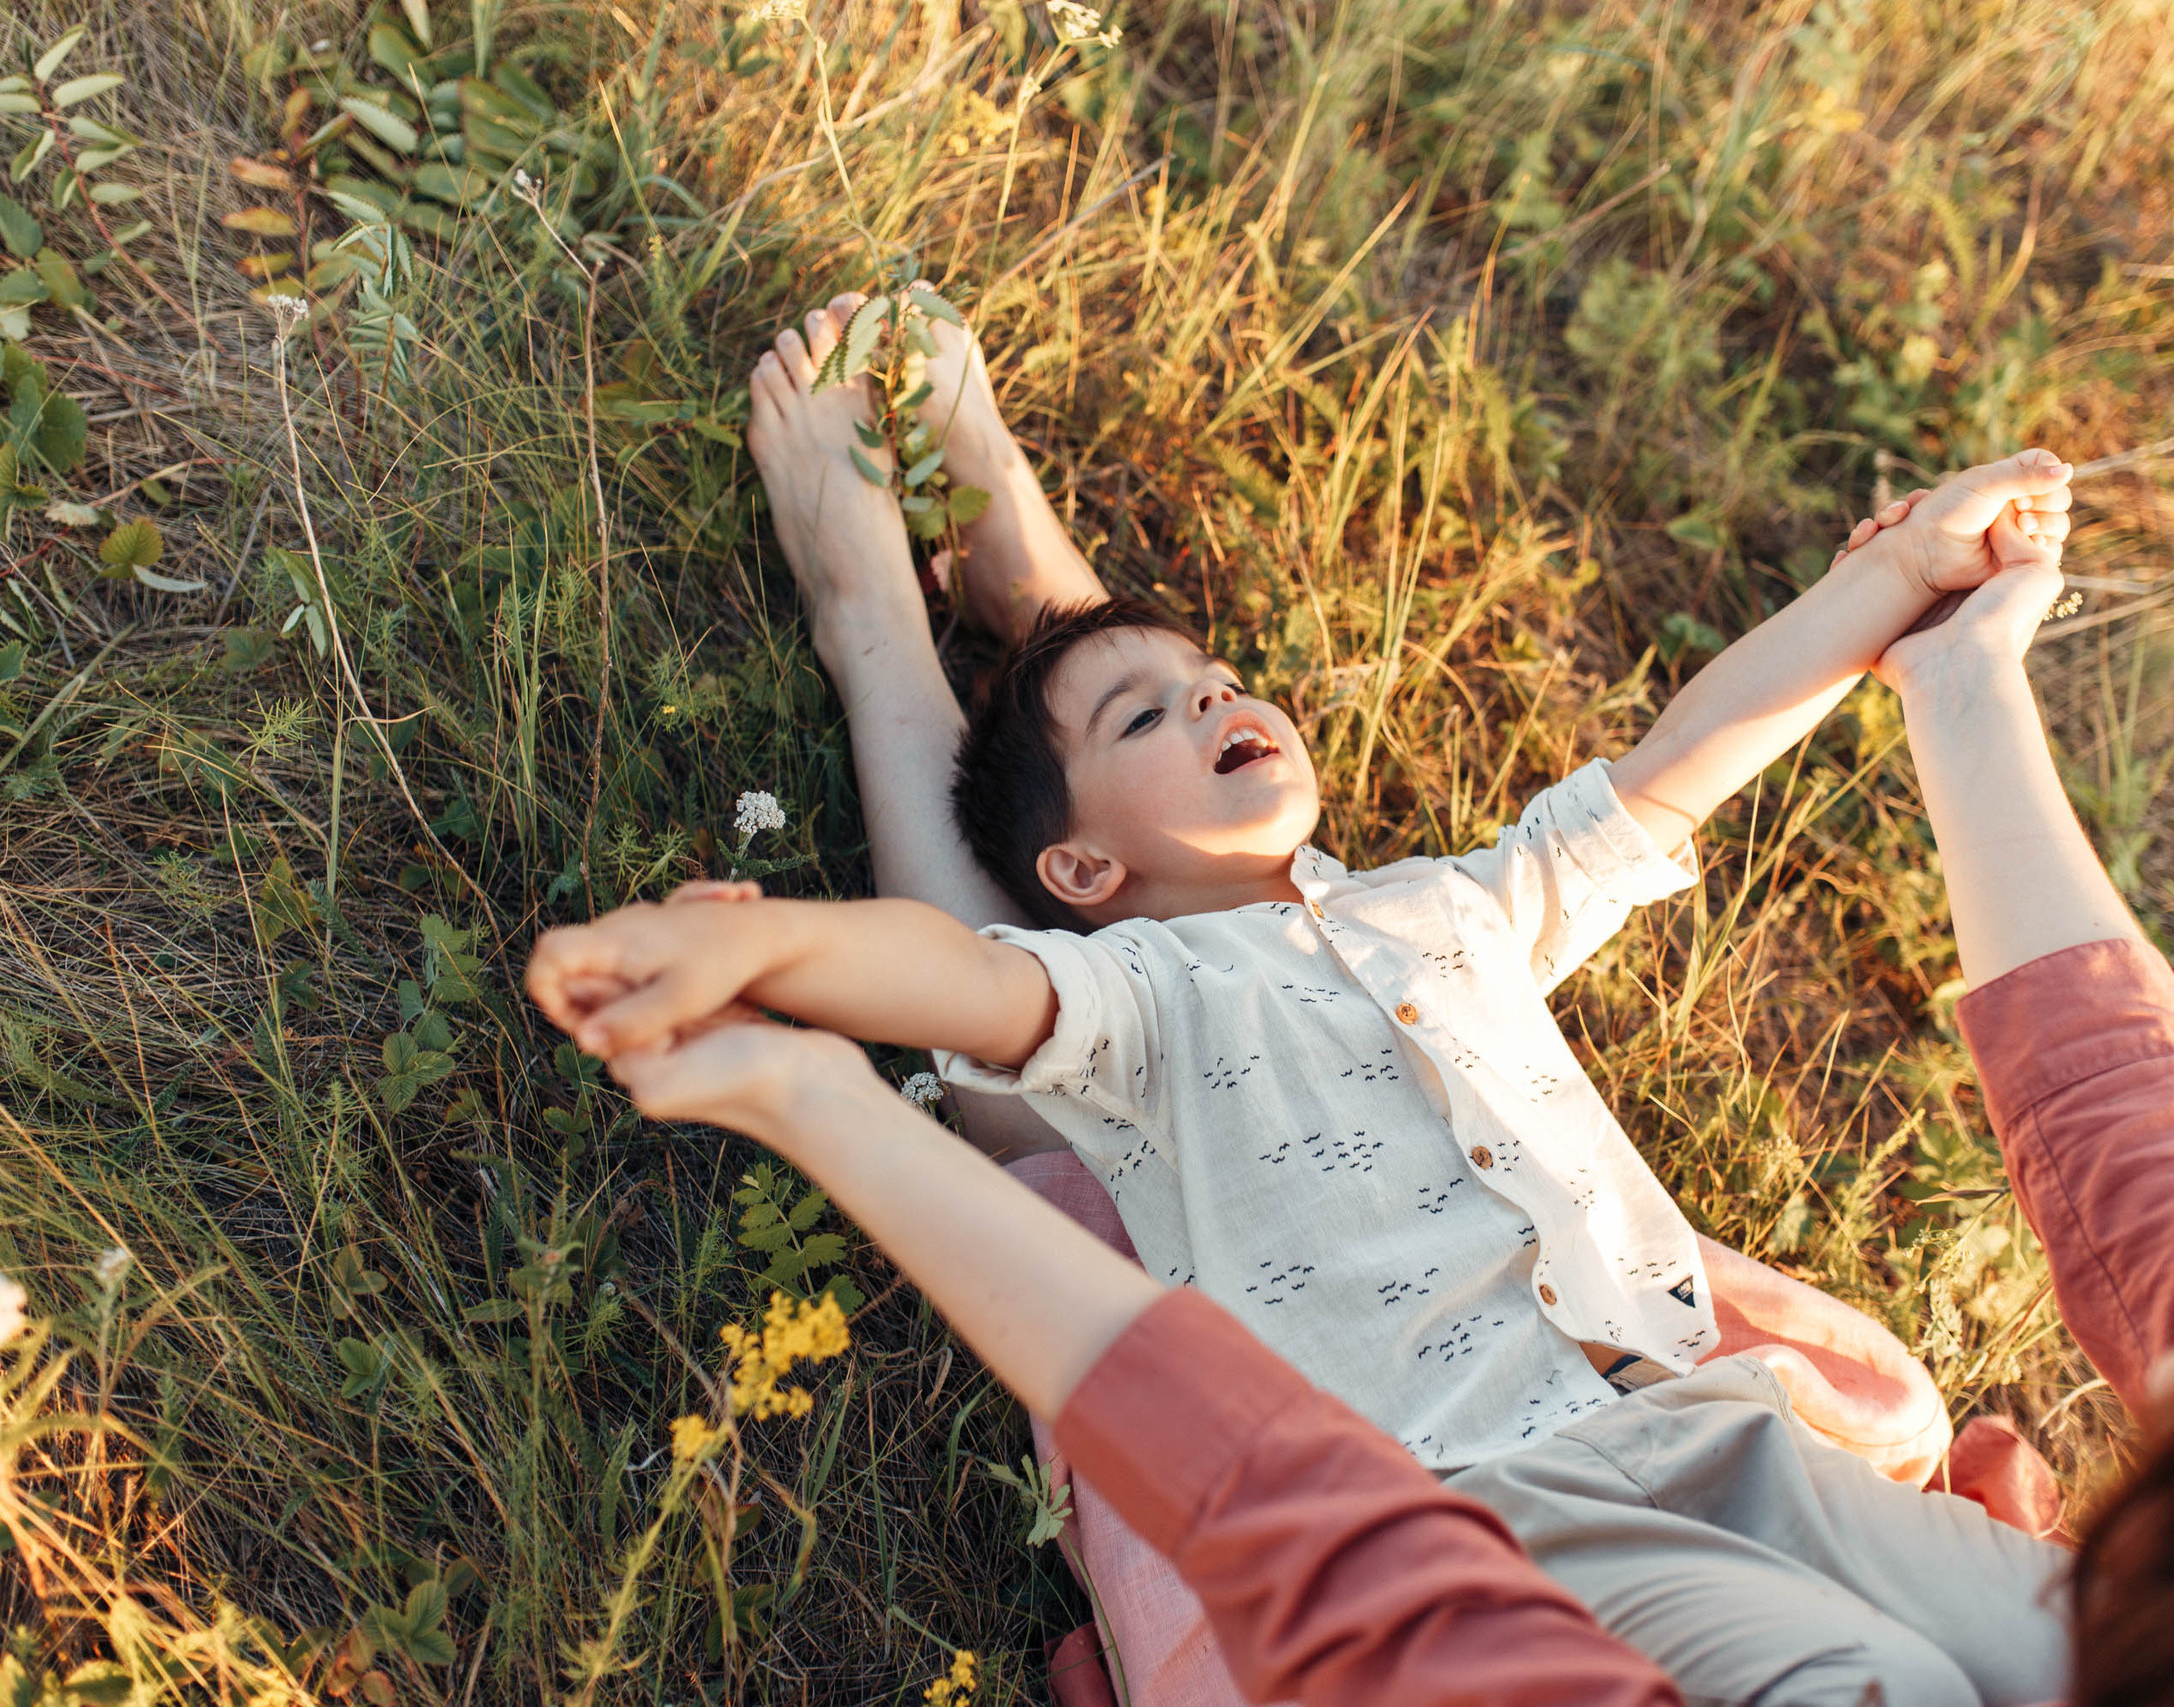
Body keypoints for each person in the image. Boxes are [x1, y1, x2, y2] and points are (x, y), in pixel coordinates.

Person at [531, 311, 2086, 1701]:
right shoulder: (1141, 988)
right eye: (1170, 703)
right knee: (1882, 1683)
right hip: (1512, 1494)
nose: (1226, 696)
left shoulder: (1439, 907)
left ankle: (1047, 616)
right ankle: (883, 607)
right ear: (1075, 874)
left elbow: (1668, 776)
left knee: (2094, 1641)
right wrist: (770, 952)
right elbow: (967, 980)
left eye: (1217, 680)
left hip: (1733, 1431)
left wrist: (1889, 577)